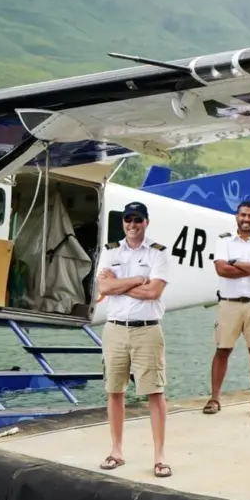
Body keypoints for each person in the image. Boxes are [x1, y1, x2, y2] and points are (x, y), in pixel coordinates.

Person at [96, 200, 172, 478]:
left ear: (146, 222)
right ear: (123, 222)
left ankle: (160, 457)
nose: (132, 224)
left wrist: (119, 285)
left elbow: (154, 292)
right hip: (115, 328)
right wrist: (139, 279)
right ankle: (116, 451)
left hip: (147, 329)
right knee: (114, 391)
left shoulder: (158, 253)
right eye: (128, 219)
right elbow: (103, 286)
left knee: (156, 392)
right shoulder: (110, 250)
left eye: (138, 219)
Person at [208, 199, 250, 418]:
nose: (246, 219)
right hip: (229, 302)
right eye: (243, 215)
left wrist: (236, 263)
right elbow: (222, 269)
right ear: (236, 217)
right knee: (222, 350)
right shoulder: (224, 239)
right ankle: (214, 398)